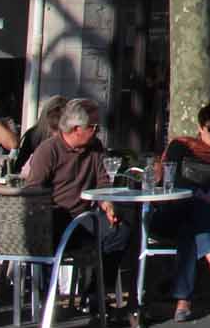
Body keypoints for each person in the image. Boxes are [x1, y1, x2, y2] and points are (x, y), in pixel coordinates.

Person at [21, 98, 132, 267]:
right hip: (55, 218)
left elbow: (102, 182)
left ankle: (98, 288)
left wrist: (107, 203)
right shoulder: (49, 150)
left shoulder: (95, 148)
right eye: (93, 127)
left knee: (120, 230)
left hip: (83, 217)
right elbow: (33, 190)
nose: (98, 131)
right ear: (76, 129)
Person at [154, 101, 210, 321]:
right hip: (171, 212)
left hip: (207, 219)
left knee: (189, 230)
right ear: (201, 128)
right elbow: (171, 180)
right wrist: (201, 195)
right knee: (194, 205)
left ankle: (183, 302)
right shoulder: (181, 147)